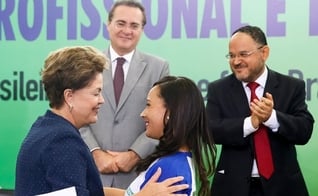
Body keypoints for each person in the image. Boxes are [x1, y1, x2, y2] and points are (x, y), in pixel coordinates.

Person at [14, 46, 189, 196]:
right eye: (96, 93)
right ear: (69, 96)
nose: (101, 100)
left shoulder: (47, 127)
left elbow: (87, 191)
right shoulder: (62, 143)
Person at [206, 25, 314, 196]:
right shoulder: (218, 89)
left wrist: (272, 118)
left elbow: (304, 131)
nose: (236, 61)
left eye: (243, 54)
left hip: (284, 188)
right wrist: (250, 123)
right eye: (232, 55)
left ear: (264, 53)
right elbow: (210, 130)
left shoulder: (292, 87)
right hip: (233, 188)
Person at [80, 0, 170, 189]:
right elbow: (75, 112)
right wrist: (95, 153)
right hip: (92, 173)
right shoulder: (87, 65)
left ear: (142, 30)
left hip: (137, 176)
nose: (127, 31)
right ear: (108, 25)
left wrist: (134, 154)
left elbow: (163, 119)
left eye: (134, 25)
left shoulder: (159, 68)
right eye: (121, 23)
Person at [125, 76, 217, 195]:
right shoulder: (173, 161)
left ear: (171, 112)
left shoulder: (169, 168)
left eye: (148, 105)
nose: (143, 114)